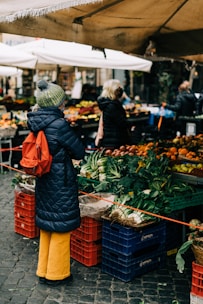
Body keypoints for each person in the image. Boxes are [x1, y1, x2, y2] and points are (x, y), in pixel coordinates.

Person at [27, 80, 85, 286]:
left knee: (47, 224)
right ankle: (57, 274)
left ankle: (43, 269)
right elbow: (79, 151)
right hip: (61, 179)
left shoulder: (35, 121)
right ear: (57, 103)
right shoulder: (59, 124)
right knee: (61, 227)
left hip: (44, 179)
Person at [95, 79, 130, 149]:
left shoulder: (107, 104)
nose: (120, 91)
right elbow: (121, 122)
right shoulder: (112, 106)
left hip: (111, 139)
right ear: (113, 90)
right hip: (115, 142)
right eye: (119, 89)